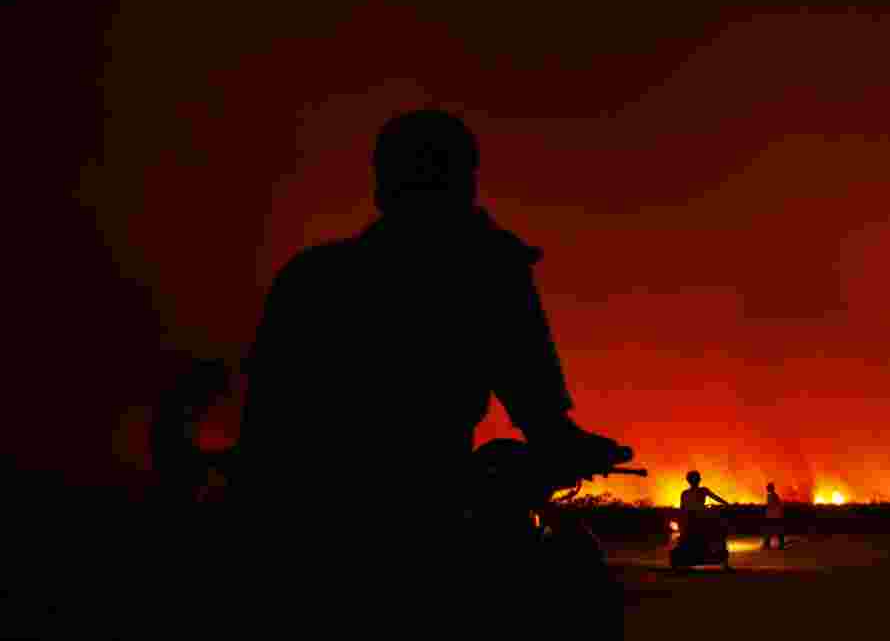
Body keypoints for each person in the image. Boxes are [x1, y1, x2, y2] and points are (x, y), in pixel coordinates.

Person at [234, 109, 625, 636]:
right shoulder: (488, 269)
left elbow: (263, 427)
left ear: (381, 185)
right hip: (425, 517)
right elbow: (541, 410)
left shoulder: (311, 279)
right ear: (465, 179)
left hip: (301, 531)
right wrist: (566, 445)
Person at [150, 357, 231, 507]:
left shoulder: (182, 414)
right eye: (216, 395)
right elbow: (180, 456)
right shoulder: (178, 415)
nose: (216, 402)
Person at [678, 470, 732, 569]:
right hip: (701, 520)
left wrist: (682, 522)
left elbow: (682, 509)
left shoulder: (685, 493)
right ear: (699, 480)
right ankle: (723, 562)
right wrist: (727, 504)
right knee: (719, 534)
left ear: (688, 481)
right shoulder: (703, 490)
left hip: (691, 521)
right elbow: (717, 498)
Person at [762, 482, 785, 550]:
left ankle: (769, 544)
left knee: (773, 530)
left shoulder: (773, 496)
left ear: (771, 488)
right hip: (773, 516)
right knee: (773, 530)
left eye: (768, 488)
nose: (767, 489)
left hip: (774, 516)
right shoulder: (771, 495)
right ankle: (769, 543)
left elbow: (773, 505)